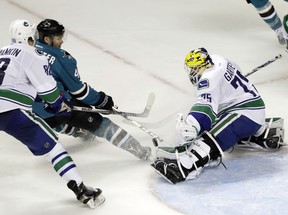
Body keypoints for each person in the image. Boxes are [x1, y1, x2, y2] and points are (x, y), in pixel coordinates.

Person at [0, 19, 105, 208]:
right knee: (54, 149)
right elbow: (49, 92)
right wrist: (59, 105)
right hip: (13, 113)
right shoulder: (32, 54)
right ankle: (81, 190)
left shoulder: (1, 51)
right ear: (30, 38)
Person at [151, 48, 284, 184]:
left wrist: (191, 126)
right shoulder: (218, 59)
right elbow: (236, 70)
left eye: (195, 69)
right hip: (253, 108)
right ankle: (263, 133)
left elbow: (205, 110)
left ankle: (184, 166)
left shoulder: (208, 80)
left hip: (244, 114)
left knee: (205, 141)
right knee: (215, 125)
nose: (193, 72)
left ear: (204, 65)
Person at [32, 19, 151, 161]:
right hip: (57, 107)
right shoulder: (61, 59)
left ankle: (81, 131)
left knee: (53, 117)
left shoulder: (28, 51)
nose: (62, 41)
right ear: (47, 39)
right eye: (58, 38)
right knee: (101, 124)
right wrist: (102, 100)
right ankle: (138, 150)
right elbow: (79, 92)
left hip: (34, 113)